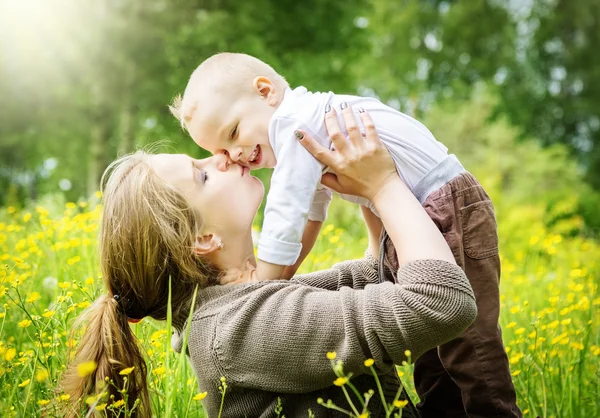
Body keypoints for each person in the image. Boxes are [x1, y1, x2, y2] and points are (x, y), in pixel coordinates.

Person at [60, 108, 477, 417]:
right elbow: (438, 300)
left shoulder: (240, 306)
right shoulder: (240, 329)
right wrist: (384, 186)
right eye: (202, 175)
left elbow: (374, 282)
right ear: (203, 239)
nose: (220, 157)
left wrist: (368, 196)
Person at [170, 52, 521, 417]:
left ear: (265, 91)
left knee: (471, 350)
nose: (235, 155)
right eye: (222, 150)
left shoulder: (295, 125)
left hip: (445, 202)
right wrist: (278, 278)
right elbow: (310, 215)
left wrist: (265, 277)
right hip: (426, 209)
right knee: (436, 354)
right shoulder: (309, 127)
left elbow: (287, 209)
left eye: (233, 133)